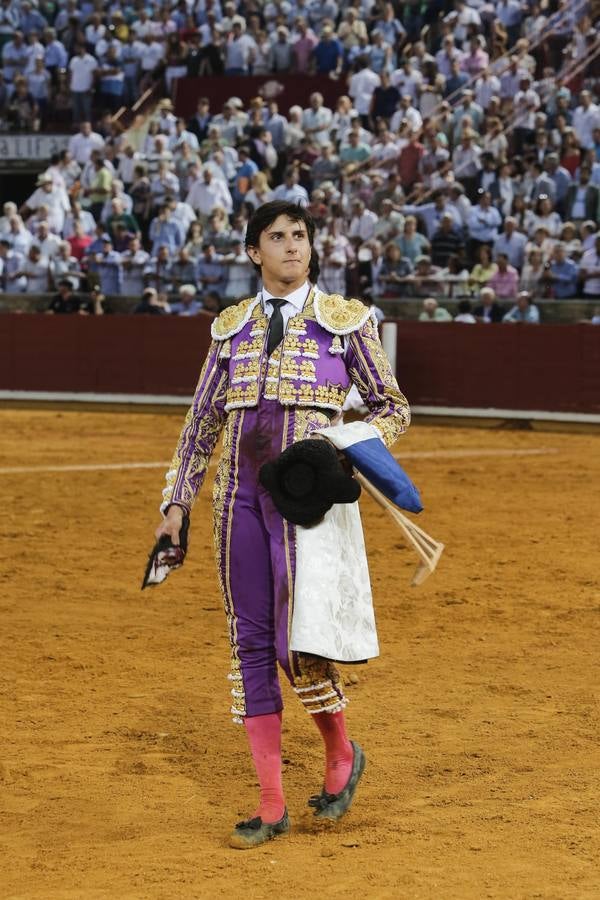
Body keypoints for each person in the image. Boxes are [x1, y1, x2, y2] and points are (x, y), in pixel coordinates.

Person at [152, 200, 410, 849]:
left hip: (307, 506)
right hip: (237, 502)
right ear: (254, 252)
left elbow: (394, 408)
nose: (293, 246)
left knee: (301, 648)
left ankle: (342, 755)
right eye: (278, 237)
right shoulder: (230, 331)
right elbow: (202, 425)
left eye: (300, 236)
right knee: (251, 644)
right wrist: (175, 504)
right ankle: (270, 805)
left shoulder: (346, 324)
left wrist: (341, 440)